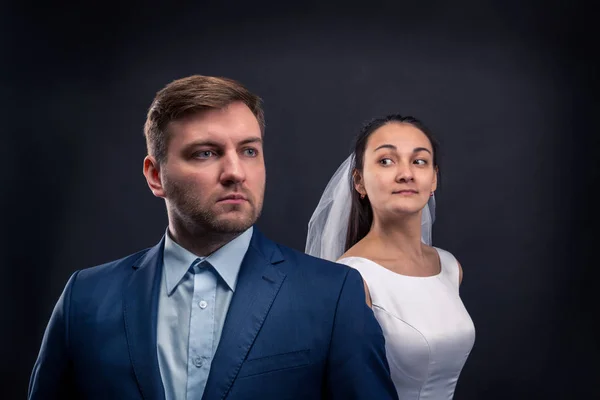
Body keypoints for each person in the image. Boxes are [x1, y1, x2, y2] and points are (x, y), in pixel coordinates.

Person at [28, 75, 399, 400]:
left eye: (249, 151)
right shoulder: (85, 298)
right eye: (206, 153)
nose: (236, 172)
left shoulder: (332, 294)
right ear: (156, 175)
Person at [306, 114, 475, 399]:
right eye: (386, 161)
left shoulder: (449, 267)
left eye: (419, 161)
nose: (406, 173)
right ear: (359, 181)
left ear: (433, 178)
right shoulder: (351, 279)